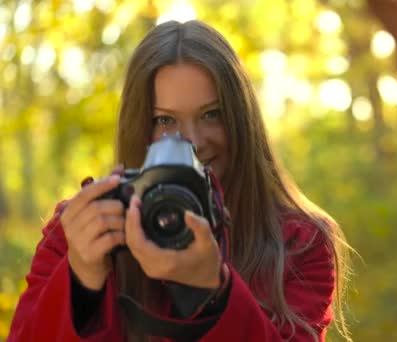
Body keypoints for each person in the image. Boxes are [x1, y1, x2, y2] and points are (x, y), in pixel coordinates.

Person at [8, 20, 352, 341]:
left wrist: (213, 292)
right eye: (164, 120)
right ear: (138, 127)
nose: (193, 141)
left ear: (240, 120)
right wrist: (81, 282)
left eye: (211, 114)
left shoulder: (298, 243)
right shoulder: (82, 230)